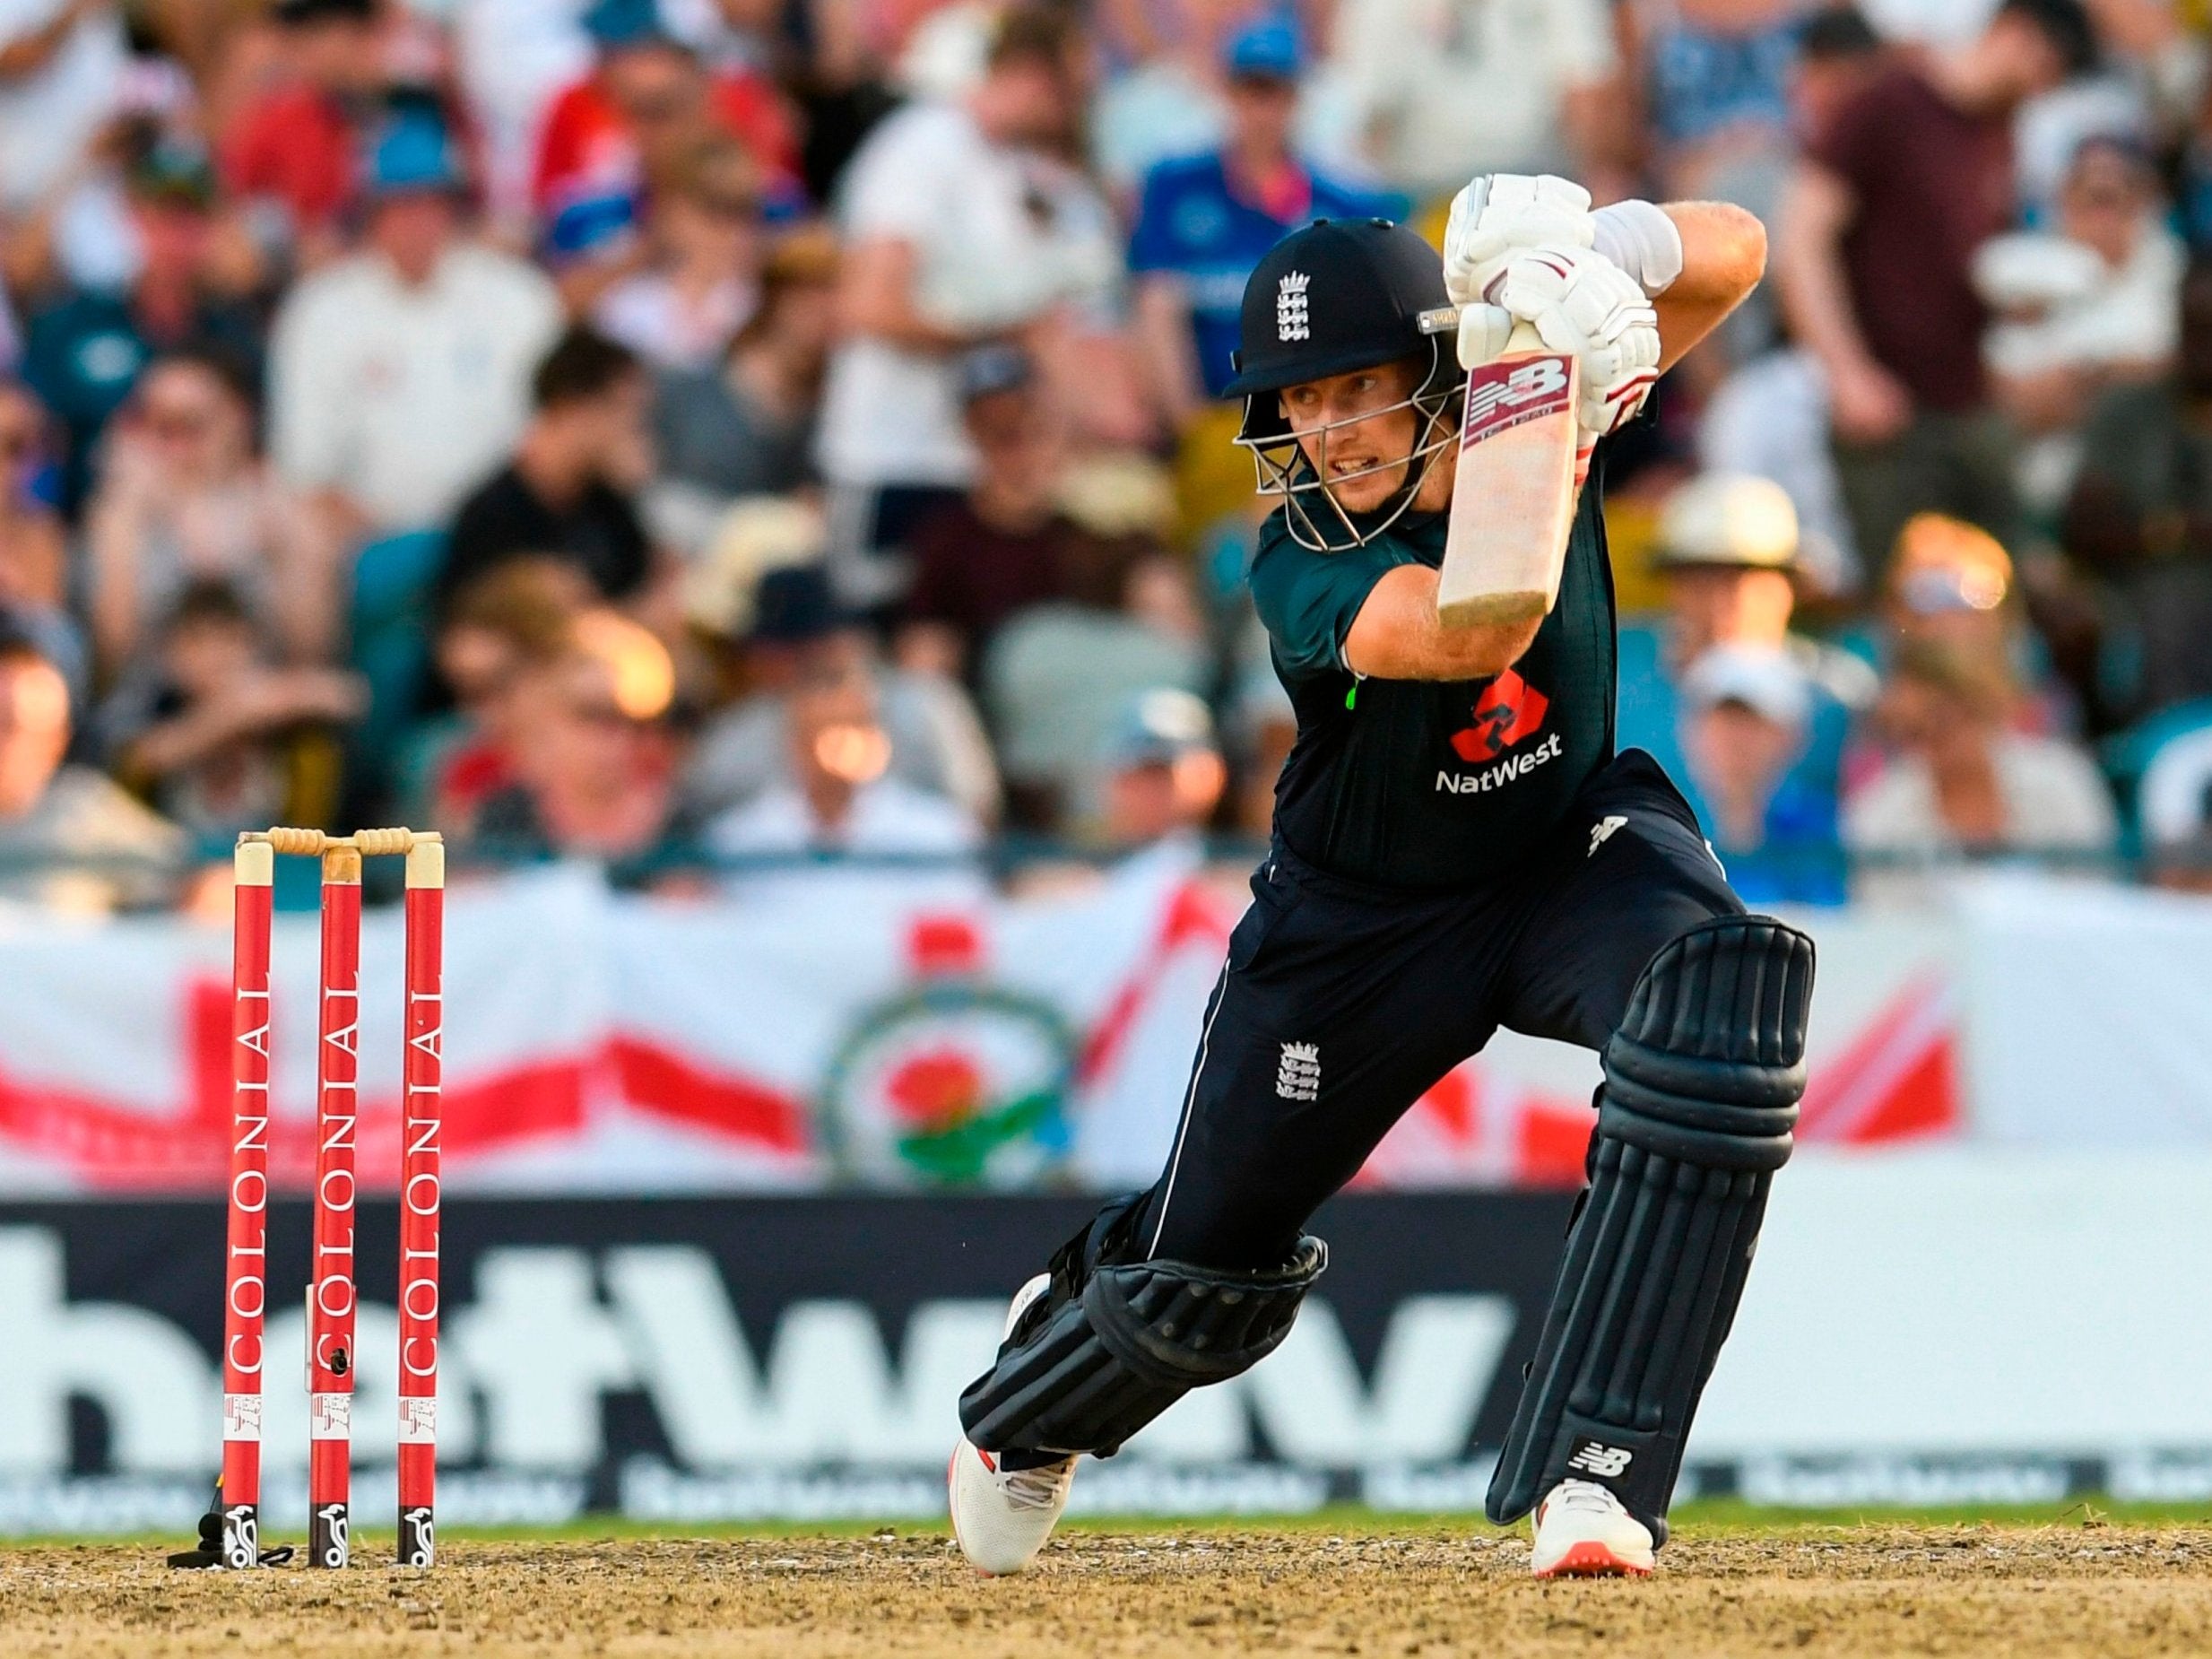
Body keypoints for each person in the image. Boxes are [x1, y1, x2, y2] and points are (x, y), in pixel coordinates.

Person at [947, 180, 1805, 1582]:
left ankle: (1594, 1475)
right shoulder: (1298, 563)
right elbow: (1474, 626)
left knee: (1713, 1016)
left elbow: (1737, 251)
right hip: (1357, 922)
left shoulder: (1534, 386)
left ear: (1434, 369)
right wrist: (1545, 411)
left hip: (1561, 851)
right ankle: (1031, 1389)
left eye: (1359, 386)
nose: (1329, 428)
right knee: (1198, 1281)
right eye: (1300, 400)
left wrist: (1591, 254)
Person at [815, 4, 1122, 612]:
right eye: (1071, 93)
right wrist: (1007, 330)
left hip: (968, 465)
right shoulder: (921, 146)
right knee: (880, 631)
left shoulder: (1007, 166)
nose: (1076, 113)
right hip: (892, 457)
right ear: (1033, 75)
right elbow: (866, 303)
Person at [1777, 0, 2097, 576]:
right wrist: (1848, 373)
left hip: (1970, 404)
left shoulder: (1998, 131)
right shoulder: (1890, 104)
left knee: (2015, 583)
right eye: (2045, 67)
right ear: (2015, 34)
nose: (2042, 89)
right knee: (1912, 595)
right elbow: (1802, 239)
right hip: (1892, 411)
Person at [266, 109, 563, 542]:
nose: (418, 222)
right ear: (369, 213)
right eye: (401, 205)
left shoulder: (517, 295)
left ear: (454, 208)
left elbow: (552, 429)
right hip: (370, 541)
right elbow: (303, 469)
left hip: (505, 535)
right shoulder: (320, 310)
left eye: (432, 202)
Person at [1126, 15, 1401, 438]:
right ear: (1228, 94)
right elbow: (1156, 307)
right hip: (1211, 416)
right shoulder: (1174, 187)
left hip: (1307, 416)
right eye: (1251, 91)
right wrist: (1189, 426)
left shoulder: (1340, 201)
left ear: (1295, 99)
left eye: (1275, 93)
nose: (1262, 110)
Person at [1616, 473, 1871, 838]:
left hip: (1805, 892)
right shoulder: (1616, 680)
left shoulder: (1841, 695)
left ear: (1790, 588)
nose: (1724, 602)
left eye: (1745, 579)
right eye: (1701, 580)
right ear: (1672, 587)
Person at [19, 138, 263, 512]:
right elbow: (32, 437)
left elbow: (256, 455)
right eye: (161, 217)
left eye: (190, 219)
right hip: (93, 519)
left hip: (210, 521)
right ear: (133, 218)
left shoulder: (234, 337)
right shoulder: (73, 324)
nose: (175, 236)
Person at [82, 348, 335, 676]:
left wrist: (285, 541)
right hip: (156, 714)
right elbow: (112, 660)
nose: (173, 445)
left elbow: (313, 655)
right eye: (158, 425)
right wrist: (124, 517)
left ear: (239, 418)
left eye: (190, 425)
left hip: (265, 704)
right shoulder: (119, 515)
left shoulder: (282, 506)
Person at [2061, 256, 2212, 723]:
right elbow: (2082, 527)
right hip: (2141, 592)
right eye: (2194, 330)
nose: (2203, 347)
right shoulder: (2131, 410)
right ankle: (2166, 759)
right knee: (2169, 607)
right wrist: (2178, 532)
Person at [102, 580, 364, 838]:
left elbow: (351, 696)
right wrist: (234, 713)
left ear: (254, 647)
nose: (215, 657)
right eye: (198, 641)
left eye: (229, 640)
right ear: (170, 655)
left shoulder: (296, 746)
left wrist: (267, 701)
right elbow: (138, 762)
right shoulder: (155, 713)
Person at [1843, 638, 2117, 880]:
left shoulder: (2064, 780)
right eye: (1909, 731)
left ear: (1980, 708)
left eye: (1940, 723)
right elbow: (1884, 921)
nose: (1927, 745)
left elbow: (2097, 887)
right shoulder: (1879, 813)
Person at [438, 326, 663, 614]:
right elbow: (464, 644)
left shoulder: (608, 504)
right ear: (572, 408)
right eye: (626, 412)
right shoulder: (492, 517)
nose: (637, 431)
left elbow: (640, 596)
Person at [0, 619, 188, 912]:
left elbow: (181, 872)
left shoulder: (86, 810)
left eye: (19, 727)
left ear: (57, 740)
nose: (8, 744)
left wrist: (207, 889)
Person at [651, 224, 836, 503]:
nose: (819, 317)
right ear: (774, 298)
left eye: (831, 303)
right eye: (806, 300)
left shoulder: (832, 409)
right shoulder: (689, 385)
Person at [217, 0, 391, 265]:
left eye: (339, 31)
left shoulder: (398, 106)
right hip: (299, 273)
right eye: (313, 32)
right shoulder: (275, 120)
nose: (328, 47)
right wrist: (290, 247)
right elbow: (235, 212)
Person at [589, 135, 765, 372]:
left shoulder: (762, 308)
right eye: (713, 210)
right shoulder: (628, 309)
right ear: (670, 211)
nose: (731, 230)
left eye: (742, 211)